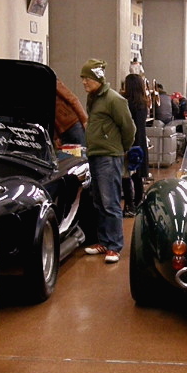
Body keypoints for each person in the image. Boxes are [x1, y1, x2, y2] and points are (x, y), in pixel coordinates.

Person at [81, 59, 136, 263]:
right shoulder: (93, 98)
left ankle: (114, 246)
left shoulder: (114, 99)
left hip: (109, 156)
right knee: (99, 202)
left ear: (97, 78)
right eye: (83, 78)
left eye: (87, 78)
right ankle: (104, 241)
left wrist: (121, 149)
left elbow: (129, 128)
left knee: (110, 201)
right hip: (95, 155)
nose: (84, 82)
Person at [121, 73, 150, 217]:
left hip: (130, 142)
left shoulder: (126, 104)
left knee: (126, 175)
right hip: (141, 142)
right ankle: (138, 203)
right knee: (137, 176)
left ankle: (129, 205)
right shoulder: (143, 104)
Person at [54, 78, 88, 147]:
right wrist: (55, 137)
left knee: (82, 151)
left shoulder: (52, 81)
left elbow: (72, 99)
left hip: (73, 125)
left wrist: (84, 120)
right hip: (62, 133)